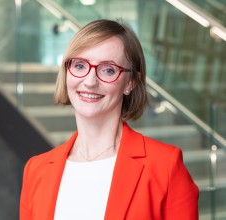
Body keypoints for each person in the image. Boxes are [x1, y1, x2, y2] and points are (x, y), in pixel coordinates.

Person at [20, 19, 199, 220]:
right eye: (79, 65)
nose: (89, 81)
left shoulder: (165, 167)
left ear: (130, 83)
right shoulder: (36, 170)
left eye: (108, 70)